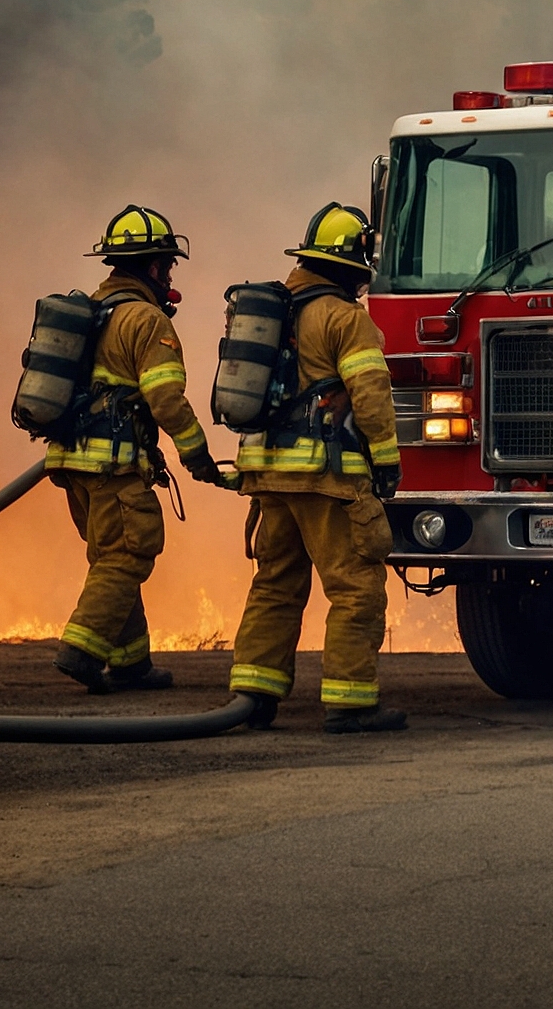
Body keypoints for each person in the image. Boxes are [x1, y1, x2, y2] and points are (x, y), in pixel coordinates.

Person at [226, 203, 407, 733]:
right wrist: (388, 464)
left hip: (266, 474)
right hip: (326, 478)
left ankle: (254, 693)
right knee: (355, 586)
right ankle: (351, 701)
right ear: (351, 265)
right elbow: (371, 396)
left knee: (275, 583)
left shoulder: (273, 312)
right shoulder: (344, 318)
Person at [46, 205, 229, 693]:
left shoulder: (90, 311)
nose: (169, 274)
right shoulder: (145, 320)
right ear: (152, 268)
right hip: (114, 465)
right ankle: (81, 651)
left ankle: (130, 663)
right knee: (127, 555)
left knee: (111, 555)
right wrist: (197, 455)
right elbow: (166, 398)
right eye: (167, 265)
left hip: (71, 461)